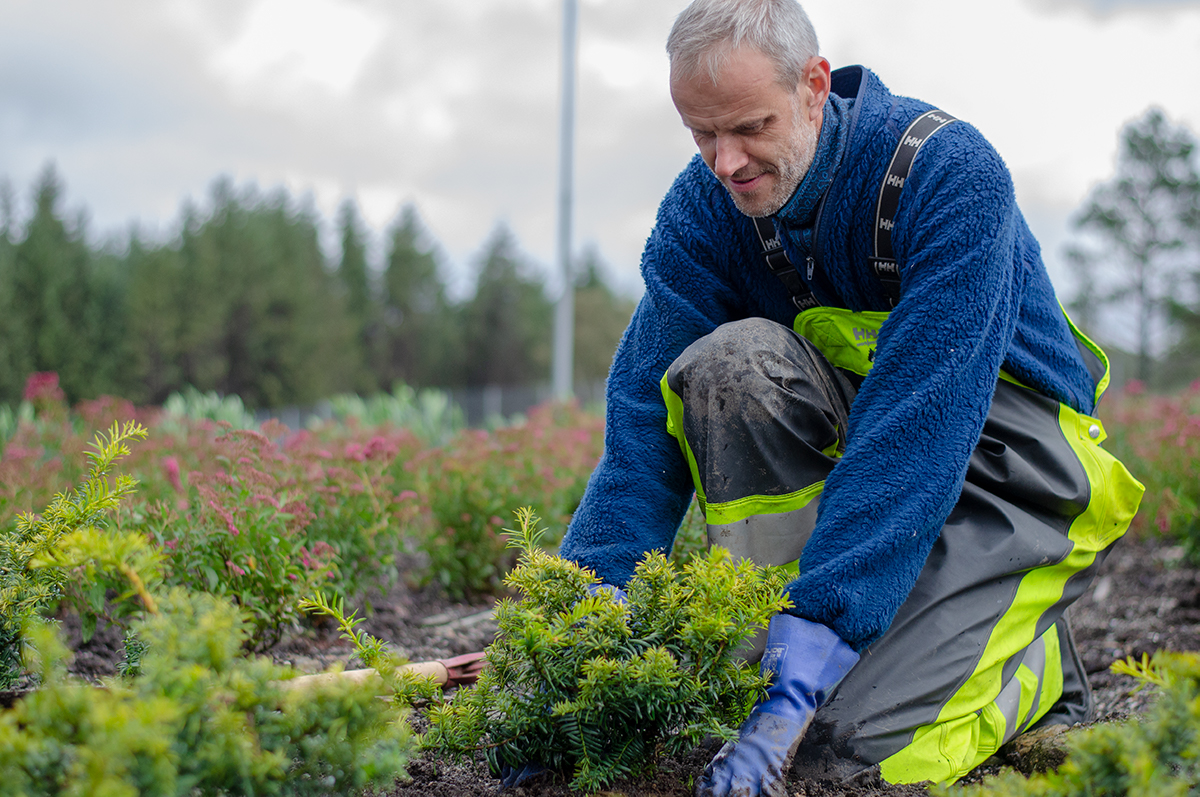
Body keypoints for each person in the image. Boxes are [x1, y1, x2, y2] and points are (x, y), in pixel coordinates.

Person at [556, 0, 1145, 794]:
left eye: (750, 127)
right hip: (876, 471)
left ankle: (1030, 662)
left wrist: (800, 685)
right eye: (701, 134)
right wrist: (580, 626)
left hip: (1008, 469)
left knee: (842, 752)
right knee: (728, 365)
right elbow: (641, 421)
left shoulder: (948, 175)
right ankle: (786, 638)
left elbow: (914, 431)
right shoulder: (704, 211)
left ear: (813, 85)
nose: (725, 162)